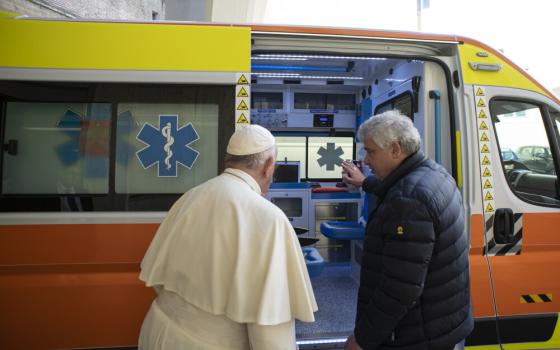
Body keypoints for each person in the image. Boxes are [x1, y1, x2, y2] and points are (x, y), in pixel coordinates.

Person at [138, 125, 317, 350]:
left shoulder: (191, 196)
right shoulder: (268, 217)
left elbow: (160, 280)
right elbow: (270, 330)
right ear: (269, 166)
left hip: (157, 329)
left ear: (228, 161)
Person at [341, 110, 473, 350]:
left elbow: (399, 289)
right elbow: (398, 188)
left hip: (415, 336)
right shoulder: (434, 174)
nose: (366, 160)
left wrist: (363, 339)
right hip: (440, 325)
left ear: (395, 150)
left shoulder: (409, 201)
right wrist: (366, 182)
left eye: (370, 151)